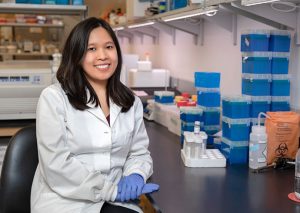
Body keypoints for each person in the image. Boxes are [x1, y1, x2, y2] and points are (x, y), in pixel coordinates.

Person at [31, 17, 159, 213]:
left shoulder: (130, 101)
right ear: (77, 55)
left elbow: (138, 152)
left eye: (109, 47)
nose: (103, 56)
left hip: (115, 201)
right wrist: (109, 190)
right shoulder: (54, 98)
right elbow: (56, 165)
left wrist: (136, 175)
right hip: (64, 202)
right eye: (91, 49)